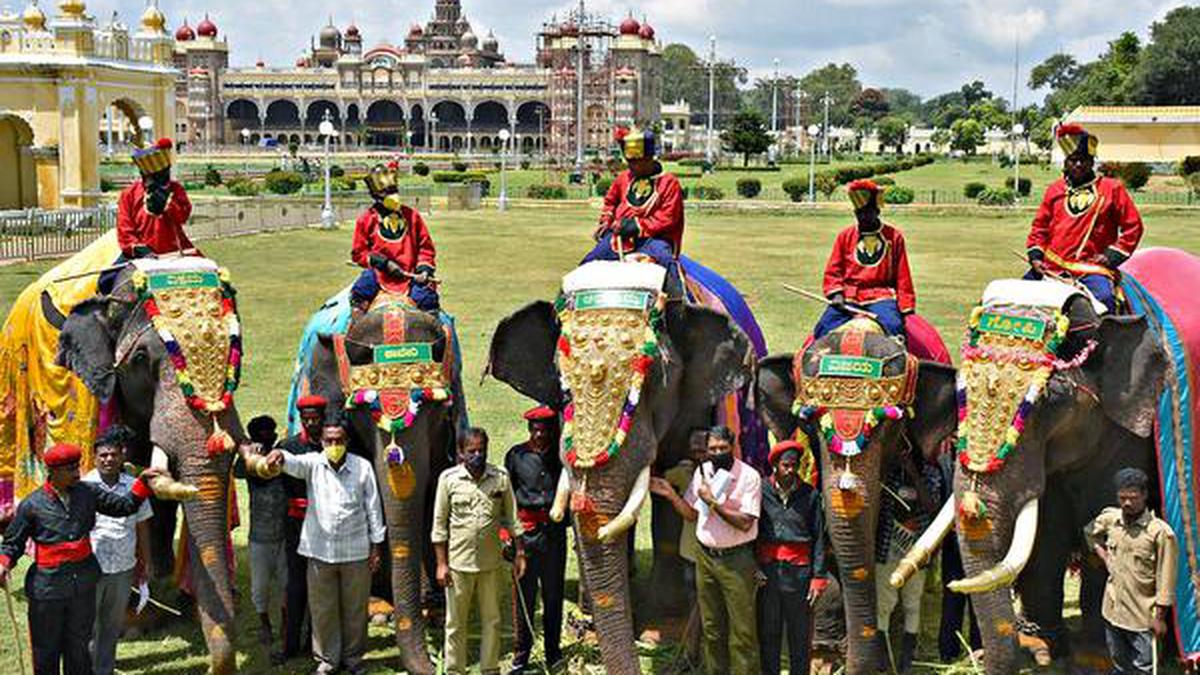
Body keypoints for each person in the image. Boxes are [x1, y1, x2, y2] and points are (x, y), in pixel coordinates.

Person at [0, 443, 165, 675]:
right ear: (53, 472)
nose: (77, 473)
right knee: (46, 650)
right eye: (69, 469)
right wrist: (4, 564)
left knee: (78, 648)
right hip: (47, 589)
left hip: (84, 585)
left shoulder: (88, 493)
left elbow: (123, 506)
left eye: (77, 467)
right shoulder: (32, 505)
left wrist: (142, 484)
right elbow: (12, 543)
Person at [263, 418, 386, 675]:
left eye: (339, 440)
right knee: (322, 609)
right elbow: (292, 462)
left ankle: (353, 659)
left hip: (356, 551)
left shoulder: (362, 467)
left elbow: (373, 508)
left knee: (354, 609)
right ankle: (328, 660)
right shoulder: (313, 464)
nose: (334, 445)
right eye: (329, 441)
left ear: (347, 442)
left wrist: (376, 546)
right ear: (321, 442)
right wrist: (279, 454)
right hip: (320, 552)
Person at [650, 425, 761, 675]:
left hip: (736, 559)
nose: (717, 452)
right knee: (712, 628)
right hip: (706, 558)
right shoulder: (703, 472)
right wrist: (671, 495)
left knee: (742, 630)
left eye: (723, 448)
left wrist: (713, 503)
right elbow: (691, 514)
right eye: (713, 449)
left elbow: (745, 523)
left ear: (733, 447)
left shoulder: (749, 476)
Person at [432, 427, 525, 675]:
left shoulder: (500, 478)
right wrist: (441, 564)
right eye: (471, 451)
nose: (477, 455)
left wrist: (520, 554)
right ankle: (454, 670)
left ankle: (490, 669)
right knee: (455, 624)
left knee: (492, 621)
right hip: (458, 565)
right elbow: (439, 526)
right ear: (461, 453)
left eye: (481, 450)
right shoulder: (448, 480)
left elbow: (513, 520)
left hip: (490, 564)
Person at [1026, 123, 1144, 313]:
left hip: (1091, 268)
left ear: (1092, 162)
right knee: (1018, 295)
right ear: (1066, 162)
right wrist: (1036, 257)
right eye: (1073, 160)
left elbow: (1133, 227)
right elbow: (1040, 227)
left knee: (1105, 301)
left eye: (1084, 160)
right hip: (1052, 266)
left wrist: (1111, 256)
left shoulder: (1112, 189)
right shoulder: (1055, 190)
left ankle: (1104, 344)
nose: (1079, 164)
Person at [1085, 468, 1177, 675]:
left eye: (1133, 498)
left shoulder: (1160, 533)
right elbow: (1090, 533)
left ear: (1144, 496)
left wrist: (1159, 618)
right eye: (1122, 498)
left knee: (1142, 668)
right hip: (1112, 611)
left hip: (1142, 617)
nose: (1127, 503)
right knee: (1119, 665)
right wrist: (1104, 555)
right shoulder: (1111, 519)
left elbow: (1166, 579)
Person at [84, 425, 154, 675]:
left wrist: (145, 561)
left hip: (124, 565)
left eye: (113, 454)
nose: (108, 459)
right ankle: (85, 668)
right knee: (87, 622)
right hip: (91, 565)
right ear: (94, 458)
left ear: (122, 456)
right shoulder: (84, 487)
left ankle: (104, 669)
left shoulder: (135, 486)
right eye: (103, 455)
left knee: (111, 623)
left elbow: (143, 525)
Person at [755, 439, 827, 675]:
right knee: (769, 631)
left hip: (799, 574)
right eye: (785, 465)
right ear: (775, 464)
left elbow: (818, 537)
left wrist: (818, 577)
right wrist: (754, 566)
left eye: (794, 465)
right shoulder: (761, 490)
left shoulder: (810, 495)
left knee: (799, 632)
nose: (790, 470)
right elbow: (750, 531)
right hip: (768, 572)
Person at [504, 407, 566, 674]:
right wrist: (506, 535)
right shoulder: (516, 456)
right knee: (524, 597)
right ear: (530, 430)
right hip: (525, 538)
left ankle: (553, 653)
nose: (540, 435)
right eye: (536, 430)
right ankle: (521, 655)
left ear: (552, 431)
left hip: (553, 536)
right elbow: (505, 499)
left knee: (553, 595)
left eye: (545, 430)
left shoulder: (561, 458)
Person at [815, 179, 916, 339]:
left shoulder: (894, 237)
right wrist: (837, 295)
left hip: (881, 297)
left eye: (867, 212)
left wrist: (906, 308)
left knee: (893, 327)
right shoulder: (845, 236)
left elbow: (902, 275)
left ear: (877, 211)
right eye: (859, 213)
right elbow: (833, 272)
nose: (863, 217)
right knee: (824, 328)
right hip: (849, 297)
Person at [584, 126, 684, 273]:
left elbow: (668, 218)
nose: (633, 166)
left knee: (666, 262)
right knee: (590, 261)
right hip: (620, 239)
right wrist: (606, 222)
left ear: (650, 158)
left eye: (638, 162)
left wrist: (636, 226)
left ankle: (679, 295)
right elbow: (610, 202)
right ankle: (564, 296)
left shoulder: (669, 182)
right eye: (630, 162)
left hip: (654, 240)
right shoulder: (623, 178)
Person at [101, 137, 195, 293]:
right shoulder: (129, 195)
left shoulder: (176, 189)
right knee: (105, 281)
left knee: (212, 277)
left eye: (166, 174)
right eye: (159, 176)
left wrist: (167, 204)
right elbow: (125, 230)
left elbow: (184, 215)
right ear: (146, 177)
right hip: (141, 253)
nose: (165, 179)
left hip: (176, 249)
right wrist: (139, 249)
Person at [874, 453, 940, 673]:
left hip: (916, 550)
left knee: (912, 604)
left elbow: (932, 507)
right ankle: (885, 662)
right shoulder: (887, 473)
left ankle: (906, 664)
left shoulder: (930, 473)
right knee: (884, 605)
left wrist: (913, 472)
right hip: (887, 547)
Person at [273, 395, 327, 665]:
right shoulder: (289, 446)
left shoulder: (333, 443)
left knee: (320, 585)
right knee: (295, 586)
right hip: (296, 522)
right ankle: (290, 643)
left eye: (316, 419)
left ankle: (313, 642)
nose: (311, 423)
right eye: (307, 419)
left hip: (326, 526)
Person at [350, 163, 439, 311]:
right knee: (361, 292)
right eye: (386, 192)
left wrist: (424, 270)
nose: (393, 196)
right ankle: (352, 333)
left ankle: (439, 333)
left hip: (411, 275)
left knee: (427, 300)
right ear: (375, 196)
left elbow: (425, 248)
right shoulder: (365, 220)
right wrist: (384, 263)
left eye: (394, 190)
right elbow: (359, 253)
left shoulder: (412, 216)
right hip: (379, 275)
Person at [243, 415, 288, 649]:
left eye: (269, 432)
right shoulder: (250, 462)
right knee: (259, 587)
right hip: (259, 537)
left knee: (286, 583)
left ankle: (285, 624)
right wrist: (250, 454)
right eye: (261, 434)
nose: (266, 437)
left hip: (283, 534)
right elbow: (239, 472)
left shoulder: (283, 456)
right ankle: (265, 624)